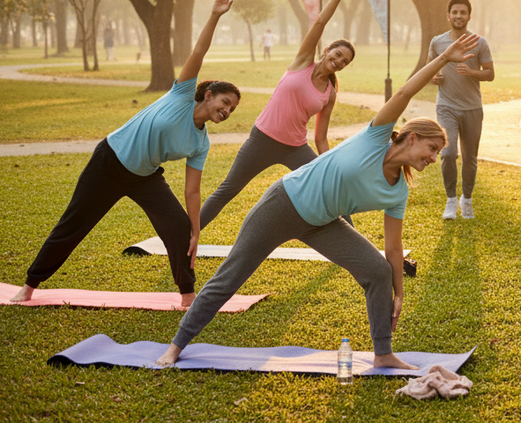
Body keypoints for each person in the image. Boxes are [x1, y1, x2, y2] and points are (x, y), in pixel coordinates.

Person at [153, 31, 484, 371]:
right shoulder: (376, 136)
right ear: (412, 138)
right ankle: (177, 345)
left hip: (322, 223)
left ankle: (382, 352)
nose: (433, 158)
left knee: (377, 271)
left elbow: (394, 249)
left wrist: (398, 292)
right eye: (432, 149)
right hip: (283, 204)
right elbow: (404, 91)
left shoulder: (398, 191)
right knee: (230, 277)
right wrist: (443, 58)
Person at [10, 0, 240, 309]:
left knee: (178, 226)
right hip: (109, 161)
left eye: (231, 111)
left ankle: (188, 296)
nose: (226, 112)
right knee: (74, 224)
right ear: (209, 94)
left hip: (144, 177)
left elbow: (192, 192)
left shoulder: (201, 142)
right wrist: (215, 15)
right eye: (225, 103)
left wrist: (196, 231)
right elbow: (199, 51)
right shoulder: (182, 93)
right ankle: (30, 285)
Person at [198, 0, 365, 230]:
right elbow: (320, 22)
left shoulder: (329, 94)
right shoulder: (302, 63)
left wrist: (330, 164)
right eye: (338, 54)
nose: (339, 61)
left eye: (345, 61)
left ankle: (356, 241)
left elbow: (320, 137)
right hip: (262, 139)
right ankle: (186, 237)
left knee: (331, 188)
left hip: (295, 148)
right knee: (228, 190)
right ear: (327, 50)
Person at [429, 0, 494, 220]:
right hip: (446, 106)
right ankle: (450, 201)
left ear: (468, 16)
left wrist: (472, 72)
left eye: (462, 12)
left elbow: (490, 74)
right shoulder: (437, 42)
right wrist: (435, 77)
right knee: (447, 152)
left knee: (470, 157)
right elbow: (430, 71)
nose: (458, 16)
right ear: (448, 16)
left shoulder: (480, 42)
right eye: (454, 12)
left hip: (472, 108)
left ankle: (466, 199)